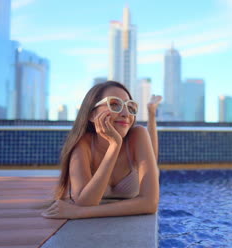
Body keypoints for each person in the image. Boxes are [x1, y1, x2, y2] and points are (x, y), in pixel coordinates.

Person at [42, 81, 162, 219]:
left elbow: (150, 204)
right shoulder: (83, 144)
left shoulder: (137, 134)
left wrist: (79, 213)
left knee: (153, 156)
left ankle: (151, 111)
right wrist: (114, 146)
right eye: (114, 104)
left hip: (138, 145)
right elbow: (85, 202)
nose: (125, 113)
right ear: (92, 115)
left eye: (130, 106)